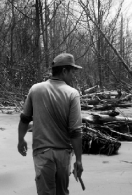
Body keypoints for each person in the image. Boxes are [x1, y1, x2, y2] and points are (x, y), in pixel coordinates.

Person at [17, 53, 84, 195]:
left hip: (42, 153)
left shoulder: (35, 89)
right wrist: (78, 160)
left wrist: (20, 139)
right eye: (72, 72)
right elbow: (75, 132)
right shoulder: (72, 93)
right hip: (63, 155)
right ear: (64, 71)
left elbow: (24, 119)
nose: (73, 76)